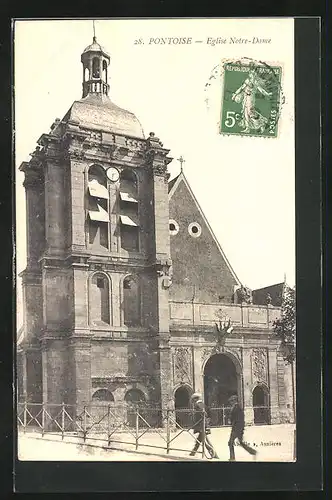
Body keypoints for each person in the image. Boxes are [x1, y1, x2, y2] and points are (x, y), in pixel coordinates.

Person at [228, 394, 257, 461]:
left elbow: (239, 420)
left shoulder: (237, 408)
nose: (230, 403)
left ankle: (232, 458)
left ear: (234, 401)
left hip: (236, 429)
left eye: (231, 401)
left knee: (230, 443)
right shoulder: (236, 408)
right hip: (237, 429)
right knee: (240, 443)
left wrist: (236, 427)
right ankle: (252, 452)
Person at [189, 393, 218, 459]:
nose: (192, 401)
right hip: (203, 425)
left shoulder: (199, 404)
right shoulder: (202, 404)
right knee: (200, 440)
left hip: (202, 425)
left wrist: (202, 420)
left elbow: (204, 413)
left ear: (196, 399)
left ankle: (214, 454)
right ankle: (193, 453)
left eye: (193, 399)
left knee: (205, 441)